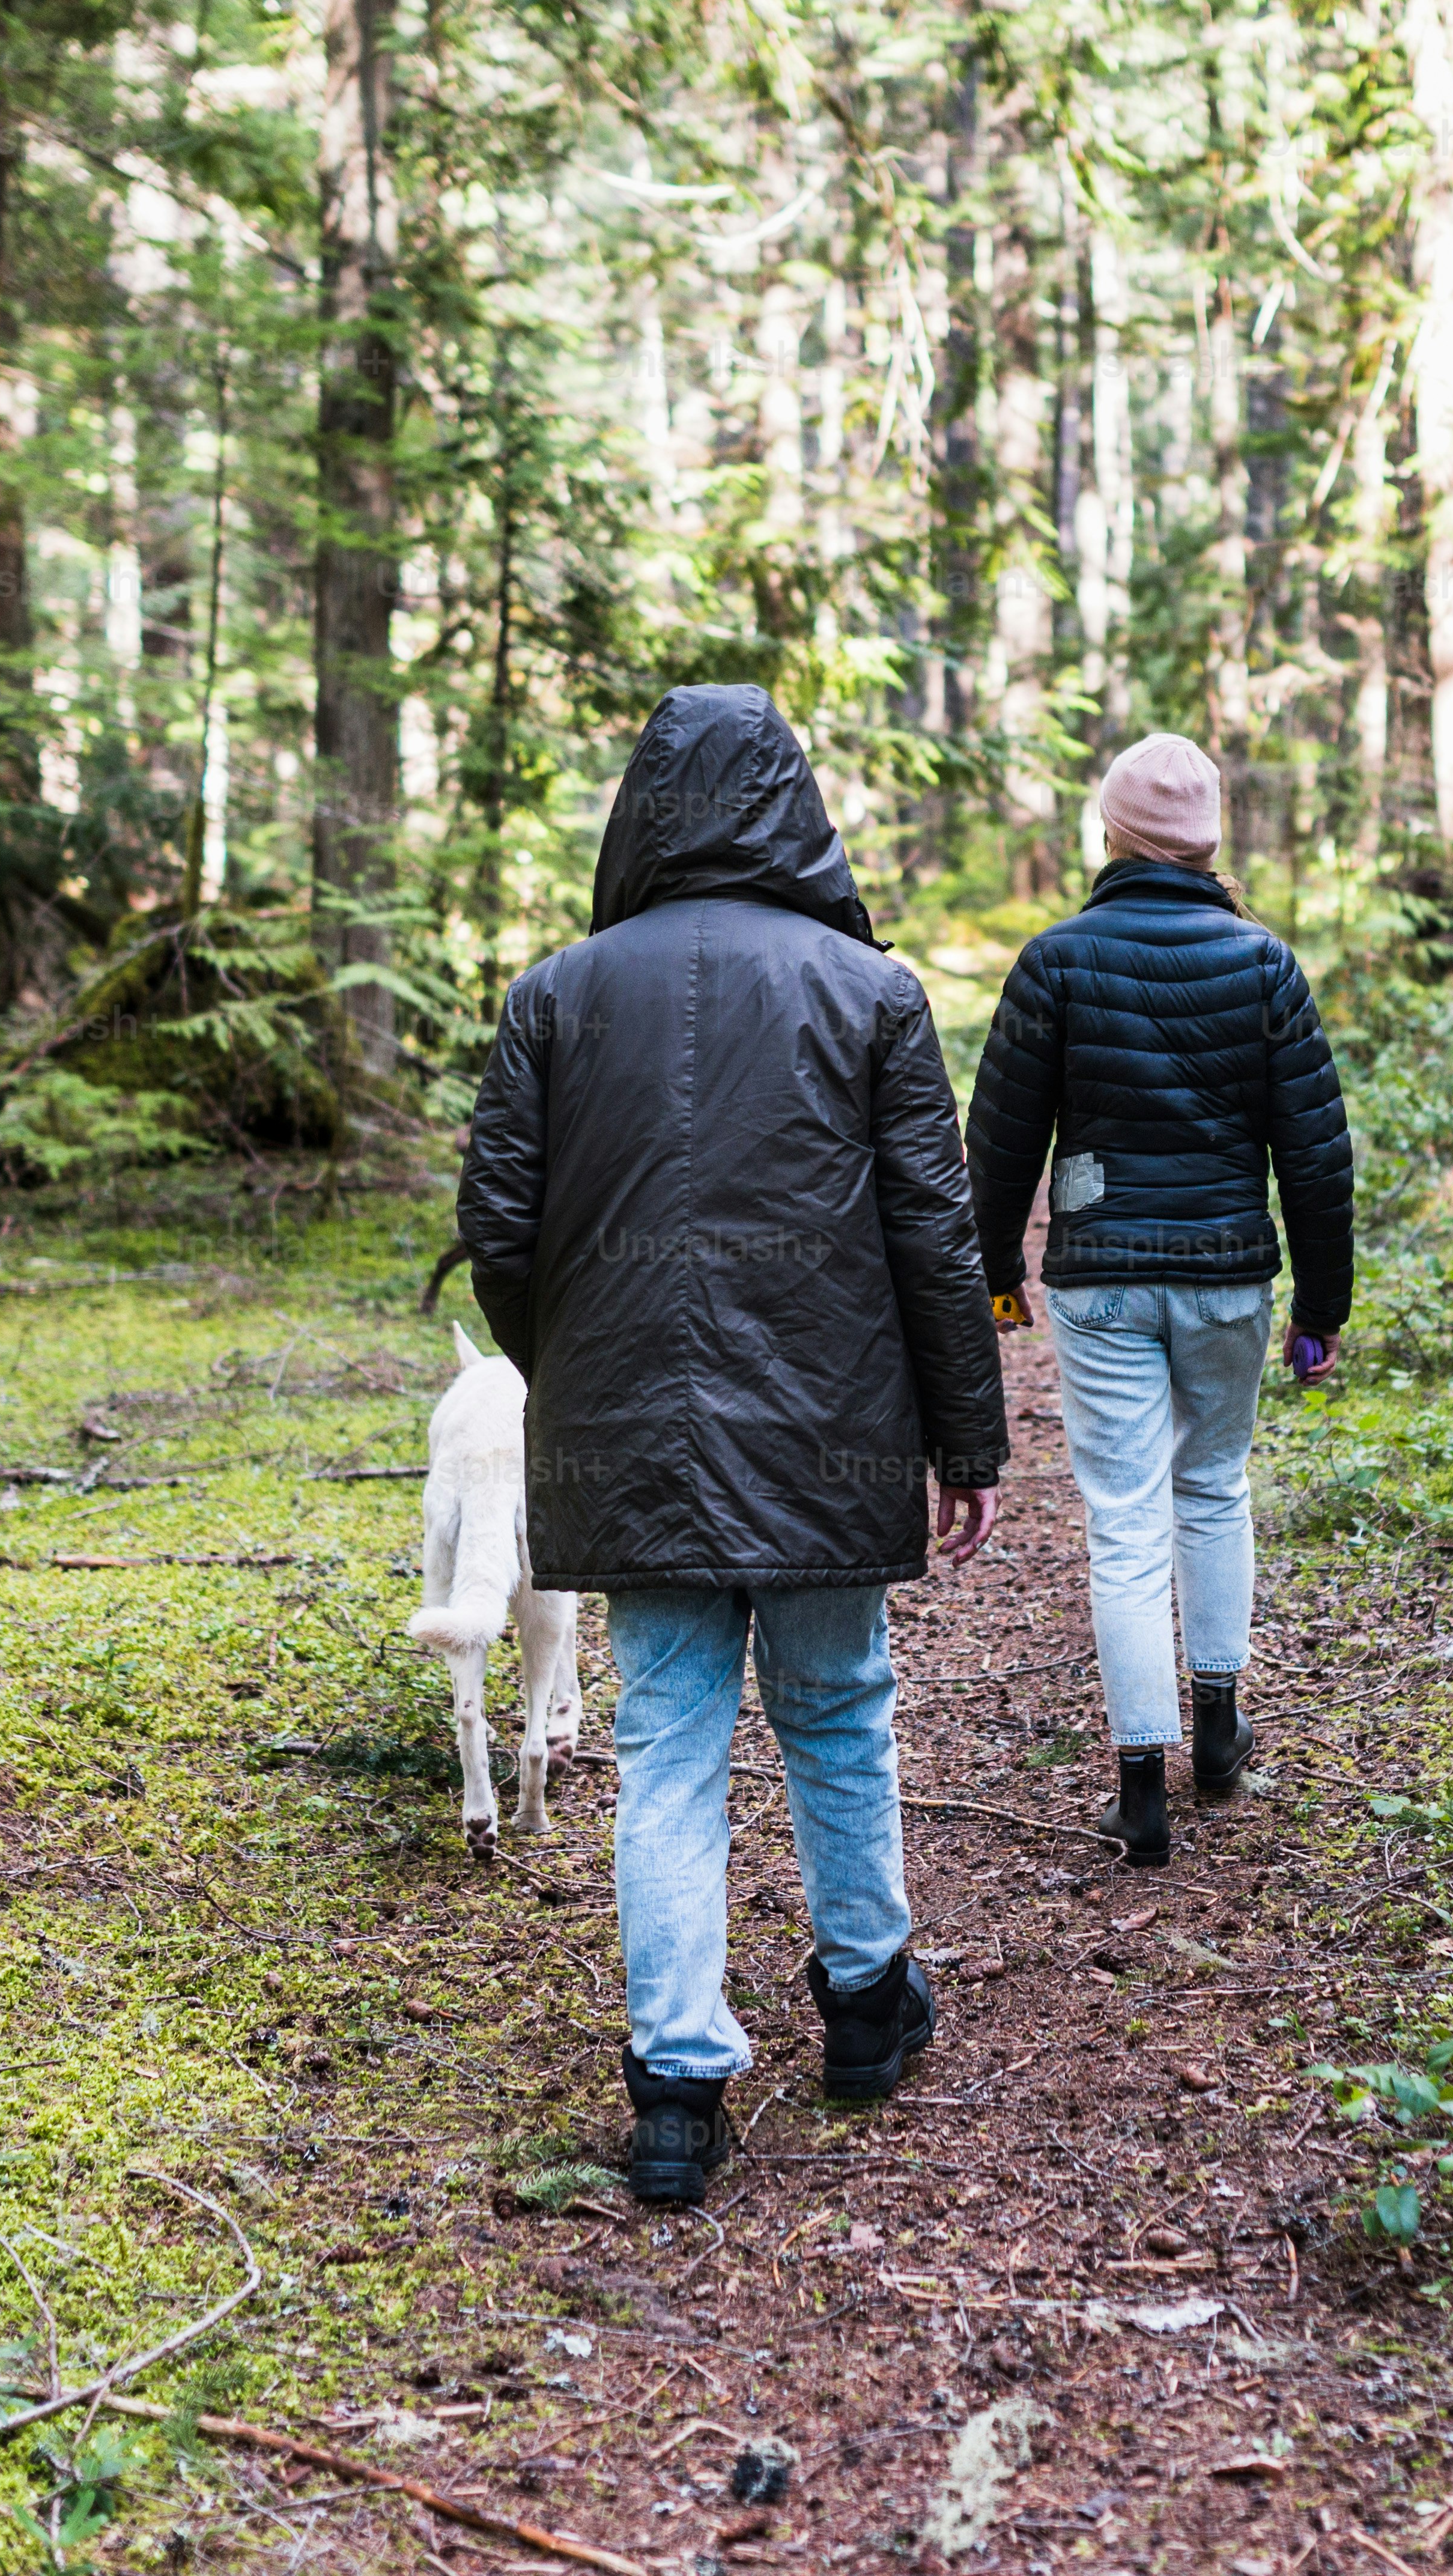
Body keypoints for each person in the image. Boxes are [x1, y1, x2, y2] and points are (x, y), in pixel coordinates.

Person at [455, 686, 1009, 2205]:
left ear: (640, 810)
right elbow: (932, 1236)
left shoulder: (554, 994)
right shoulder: (870, 991)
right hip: (831, 1434)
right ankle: (863, 2005)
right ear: (795, 805)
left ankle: (678, 2089)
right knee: (838, 1711)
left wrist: (575, 1365)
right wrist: (966, 1435)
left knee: (668, 1749)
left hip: (627, 1432)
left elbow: (496, 1234)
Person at [963, 734, 1353, 1871]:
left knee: (1125, 1520)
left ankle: (1142, 1790)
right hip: (1230, 1272)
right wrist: (1319, 1305)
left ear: (1115, 834)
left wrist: (996, 1276)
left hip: (1102, 1281)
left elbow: (998, 1144)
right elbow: (1315, 1156)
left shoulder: (1055, 962)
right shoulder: (1265, 964)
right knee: (1214, 1485)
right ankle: (1219, 1730)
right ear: (1208, 841)